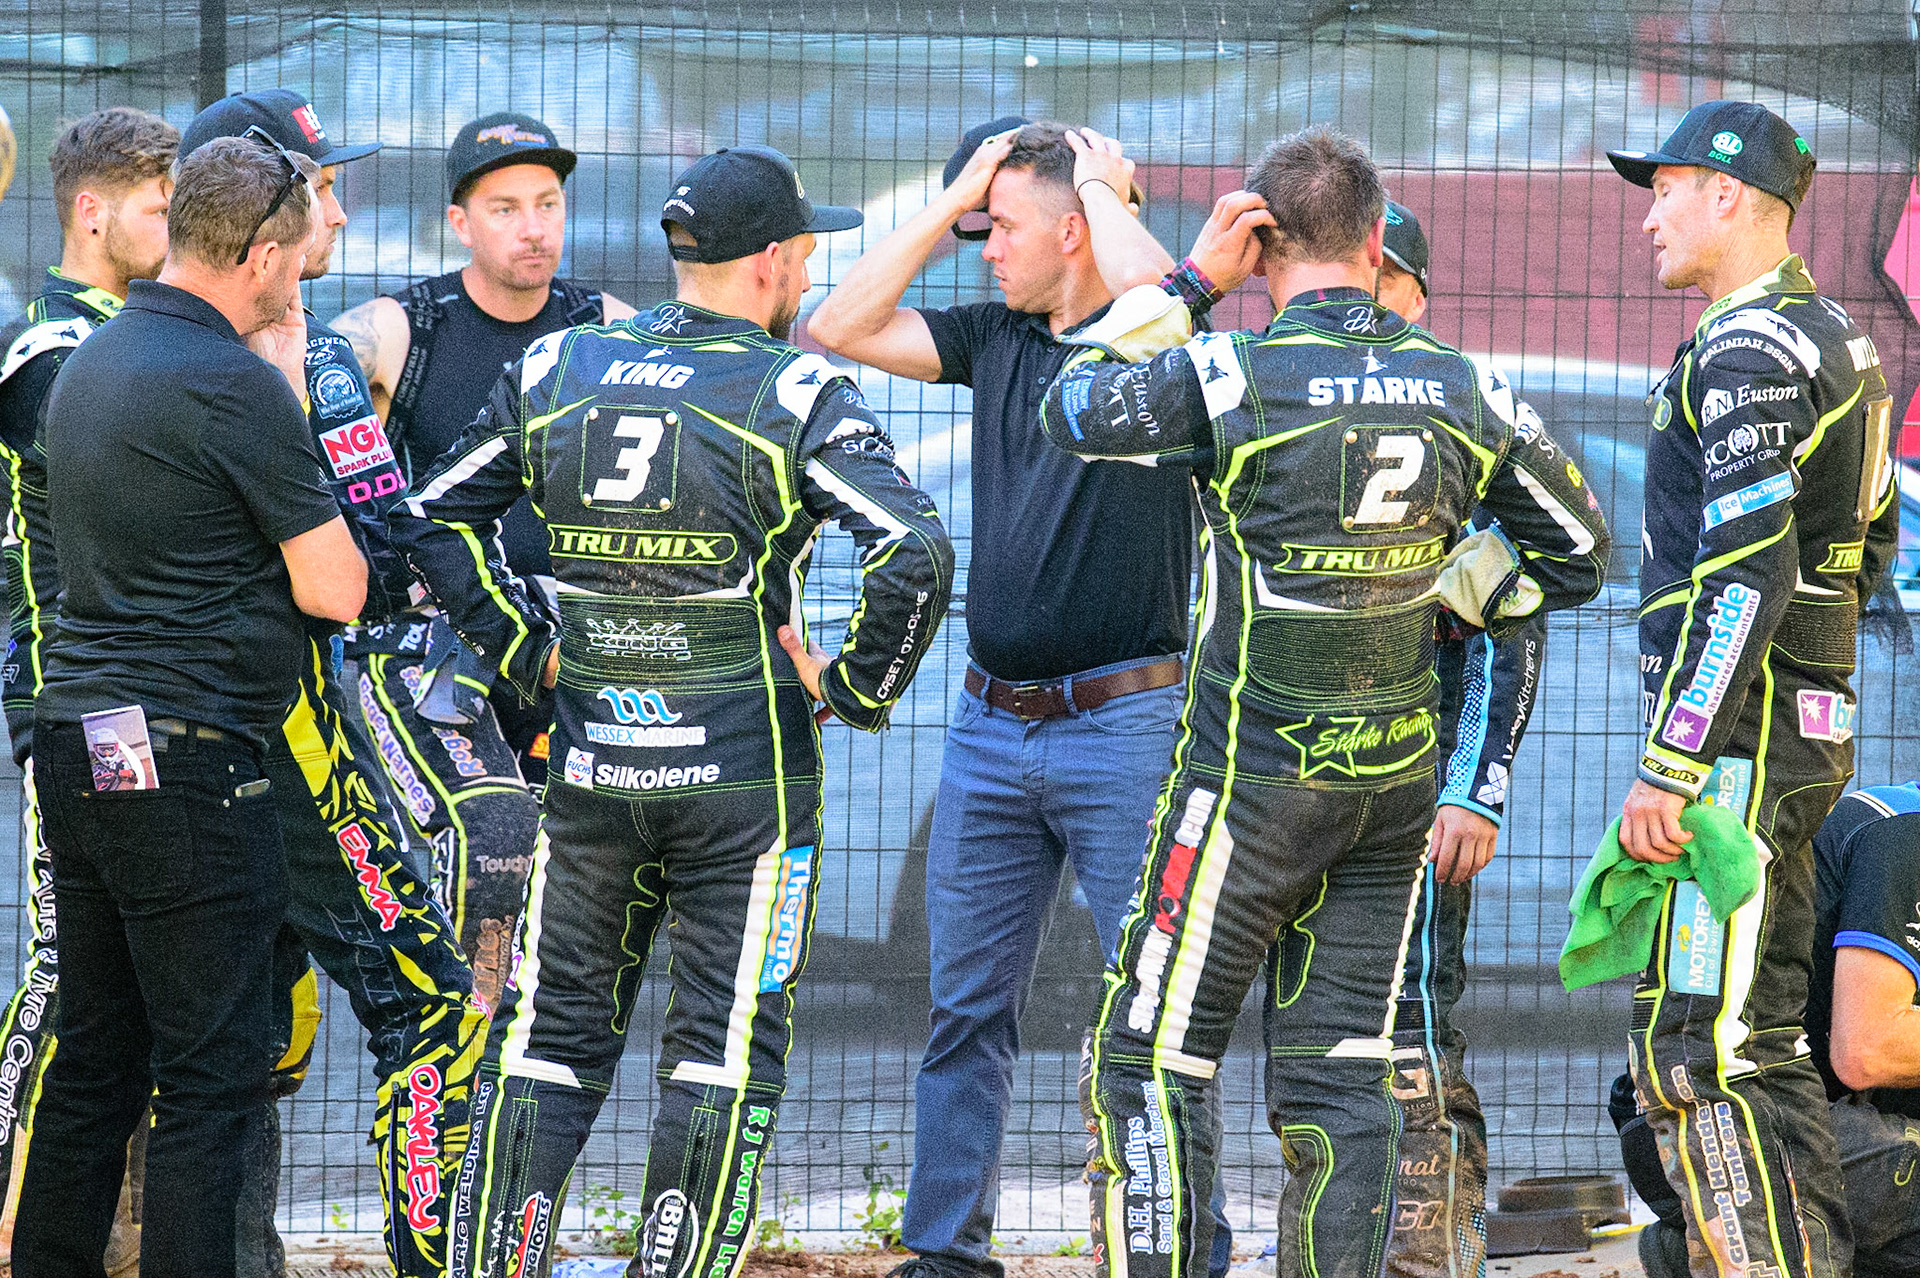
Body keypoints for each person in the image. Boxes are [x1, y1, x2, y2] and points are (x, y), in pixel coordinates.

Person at [1046, 125, 1609, 1278]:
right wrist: (1455, 580)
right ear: (1371, 236)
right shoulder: (1465, 383)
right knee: (1344, 1072)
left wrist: (1191, 281)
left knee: (1149, 1059)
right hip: (1393, 791)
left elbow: (1074, 406)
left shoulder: (1232, 368)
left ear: (1264, 243)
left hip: (1246, 790)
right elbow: (1583, 551)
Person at [389, 143, 954, 1278]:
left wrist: (529, 652)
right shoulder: (792, 388)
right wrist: (854, 691)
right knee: (724, 1052)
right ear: (780, 257)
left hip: (593, 771)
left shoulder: (561, 365)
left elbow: (431, 516)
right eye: (807, 249)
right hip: (747, 787)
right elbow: (917, 550)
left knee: (548, 1042)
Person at [809, 116, 1248, 1278]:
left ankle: (1185, 1253)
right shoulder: (995, 338)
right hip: (991, 729)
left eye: (1002, 229)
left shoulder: (1159, 358)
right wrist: (961, 190)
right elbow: (835, 323)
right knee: (964, 1012)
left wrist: (1106, 198)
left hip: (1128, 728)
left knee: (1154, 1016)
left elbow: (1171, 297)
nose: (982, 247)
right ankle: (945, 1256)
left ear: (1074, 226)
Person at [11, 135, 366, 1278]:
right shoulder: (230, 386)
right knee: (212, 1074)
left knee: (99, 1057)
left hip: (88, 741)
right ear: (261, 254)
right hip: (192, 756)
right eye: (301, 249)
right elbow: (338, 585)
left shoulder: (96, 360)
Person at [178, 89, 485, 1278]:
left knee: (262, 1023)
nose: (342, 218)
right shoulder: (189, 361)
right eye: (320, 190)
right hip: (250, 736)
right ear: (261, 210)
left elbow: (389, 541)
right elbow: (327, 578)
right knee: (413, 1005)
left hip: (336, 726)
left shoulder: (328, 356)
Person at [1608, 100, 1901, 1278]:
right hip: (1784, 733)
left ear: (1730, 194)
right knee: (1740, 1038)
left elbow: (1749, 569)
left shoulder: (1748, 352)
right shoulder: (1836, 338)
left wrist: (1674, 762)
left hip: (1739, 755)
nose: (1650, 219)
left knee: (1711, 1047)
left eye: (1667, 189)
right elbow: (1866, 539)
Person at [1238, 200, 1551, 1278]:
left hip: (1416, 794)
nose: (1359, 311)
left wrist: (1477, 787)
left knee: (1412, 1040)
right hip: (1291, 784)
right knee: (1313, 1058)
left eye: (1381, 290)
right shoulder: (1302, 404)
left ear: (1405, 285)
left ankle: (1433, 1263)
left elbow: (1521, 624)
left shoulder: (1456, 417)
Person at [331, 111, 635, 1005]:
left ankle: (514, 1082)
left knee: (572, 901)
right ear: (460, 222)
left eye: (548, 203)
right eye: (505, 207)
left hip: (570, 648)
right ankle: (467, 1041)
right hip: (435, 653)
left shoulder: (606, 328)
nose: (534, 225)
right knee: (495, 843)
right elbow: (285, 396)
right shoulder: (397, 330)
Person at [0, 106, 176, 1262]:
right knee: (68, 964)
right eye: (162, 209)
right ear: (91, 210)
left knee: (136, 977)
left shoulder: (150, 326)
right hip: (84, 707)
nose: (178, 229)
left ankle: (105, 1227)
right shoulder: (45, 348)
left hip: (165, 706)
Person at [1619, 781, 1920, 1278]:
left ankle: (1702, 1249)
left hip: (1771, 1126)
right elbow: (1869, 1048)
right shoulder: (1904, 834)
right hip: (1716, 1130)